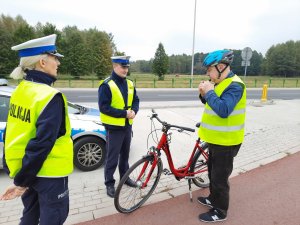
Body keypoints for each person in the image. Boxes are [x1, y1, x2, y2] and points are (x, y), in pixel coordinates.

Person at [0, 34, 73, 225]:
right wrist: (22, 181)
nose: (58, 63)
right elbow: (42, 143)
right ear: (42, 61)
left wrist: (20, 177)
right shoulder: (50, 96)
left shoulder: (20, 90)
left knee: (30, 215)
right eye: (55, 58)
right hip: (49, 174)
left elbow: (12, 130)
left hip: (25, 170)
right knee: (54, 217)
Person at [197, 50, 246, 222]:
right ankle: (213, 198)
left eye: (209, 69)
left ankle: (220, 211)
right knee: (212, 173)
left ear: (220, 66)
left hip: (227, 141)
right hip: (216, 139)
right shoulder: (219, 83)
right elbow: (213, 104)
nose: (207, 74)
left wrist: (209, 92)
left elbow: (224, 110)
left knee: (220, 179)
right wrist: (205, 95)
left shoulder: (235, 85)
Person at [98, 55, 139, 198]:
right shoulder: (106, 85)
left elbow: (136, 100)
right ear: (115, 66)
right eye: (123, 67)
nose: (126, 70)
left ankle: (125, 178)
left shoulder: (129, 83)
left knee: (125, 156)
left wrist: (134, 111)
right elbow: (104, 108)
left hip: (127, 126)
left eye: (127, 67)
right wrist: (124, 114)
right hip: (114, 128)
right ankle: (109, 183)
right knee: (112, 158)